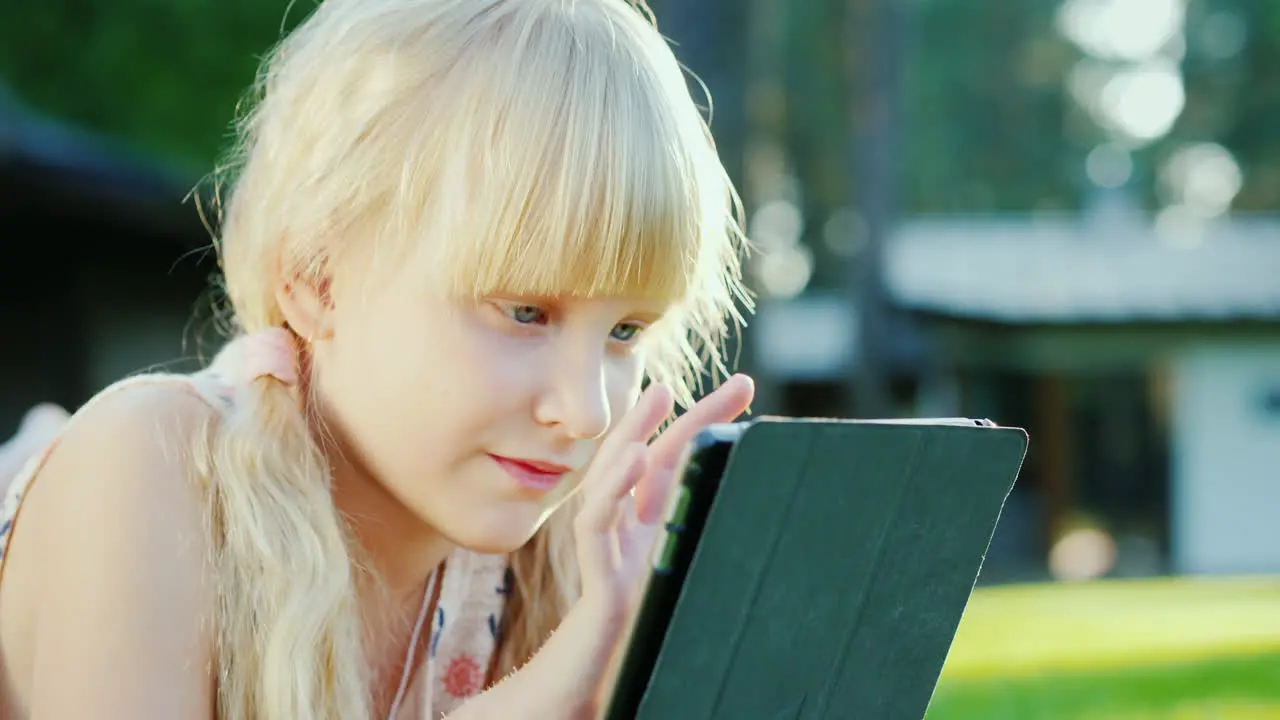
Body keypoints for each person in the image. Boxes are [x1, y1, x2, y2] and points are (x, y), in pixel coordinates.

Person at [0, 0, 755, 718]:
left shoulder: (557, 571)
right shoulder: (153, 467)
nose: (587, 411)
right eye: (526, 313)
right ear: (318, 278)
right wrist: (551, 691)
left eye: (626, 332)